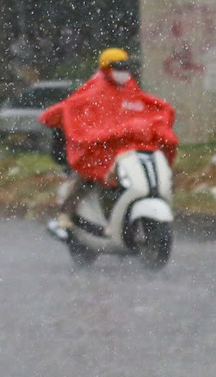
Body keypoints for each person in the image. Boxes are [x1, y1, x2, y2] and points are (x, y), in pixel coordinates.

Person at [40, 49, 178, 240]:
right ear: (106, 68)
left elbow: (141, 104)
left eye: (126, 67)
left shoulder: (129, 88)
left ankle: (122, 220)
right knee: (86, 176)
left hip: (124, 149)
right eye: (118, 67)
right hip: (100, 148)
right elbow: (73, 106)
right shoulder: (96, 89)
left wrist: (158, 114)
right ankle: (63, 218)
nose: (124, 71)